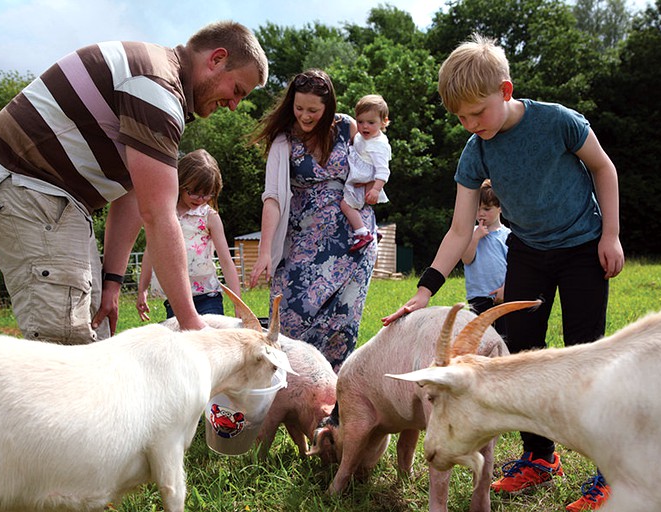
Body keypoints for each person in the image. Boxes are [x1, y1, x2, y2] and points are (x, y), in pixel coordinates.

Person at [381, 34, 624, 512]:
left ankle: (609, 471)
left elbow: (604, 168)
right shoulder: (477, 151)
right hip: (529, 251)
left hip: (581, 248)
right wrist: (425, 289)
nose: (471, 124)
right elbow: (457, 230)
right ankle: (539, 457)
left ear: (506, 91)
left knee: (585, 355)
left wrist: (610, 235)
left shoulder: (558, 122)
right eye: (461, 118)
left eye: (478, 113)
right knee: (524, 357)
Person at [0, 21, 267, 344]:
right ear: (217, 59)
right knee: (69, 346)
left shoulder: (159, 86)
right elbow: (158, 214)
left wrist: (111, 282)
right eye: (236, 90)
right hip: (28, 187)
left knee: (96, 332)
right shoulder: (156, 88)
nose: (234, 105)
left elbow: (134, 193)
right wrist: (192, 324)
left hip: (57, 198)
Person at [249, 69, 378, 372]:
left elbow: (376, 155)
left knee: (343, 324)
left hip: (352, 241)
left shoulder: (347, 127)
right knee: (291, 313)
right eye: (298, 108)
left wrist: (375, 186)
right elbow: (273, 198)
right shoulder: (284, 140)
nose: (305, 116)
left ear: (328, 107)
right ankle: (287, 387)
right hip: (303, 240)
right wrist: (265, 249)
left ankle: (331, 400)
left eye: (313, 110)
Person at [136, 149, 241, 321]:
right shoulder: (165, 215)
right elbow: (151, 251)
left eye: (207, 194)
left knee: (209, 342)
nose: (200, 199)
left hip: (208, 295)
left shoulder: (209, 217)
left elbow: (226, 262)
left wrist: (238, 303)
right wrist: (143, 289)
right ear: (180, 183)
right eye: (193, 192)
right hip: (177, 298)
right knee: (183, 343)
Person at [342, 94, 391, 252]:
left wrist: (376, 189)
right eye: (360, 121)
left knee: (346, 204)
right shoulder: (364, 137)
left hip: (364, 181)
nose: (364, 127)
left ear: (384, 122)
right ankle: (373, 229)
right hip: (360, 178)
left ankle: (362, 232)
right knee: (360, 208)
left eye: (371, 123)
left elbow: (383, 170)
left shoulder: (379, 145)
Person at [461, 179, 510, 338]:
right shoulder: (470, 233)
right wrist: (475, 238)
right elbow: (466, 259)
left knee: (504, 336)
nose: (481, 213)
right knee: (479, 337)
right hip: (478, 295)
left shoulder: (507, 236)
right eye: (477, 209)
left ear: (500, 207)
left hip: (502, 296)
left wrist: (505, 288)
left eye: (487, 209)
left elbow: (515, 267)